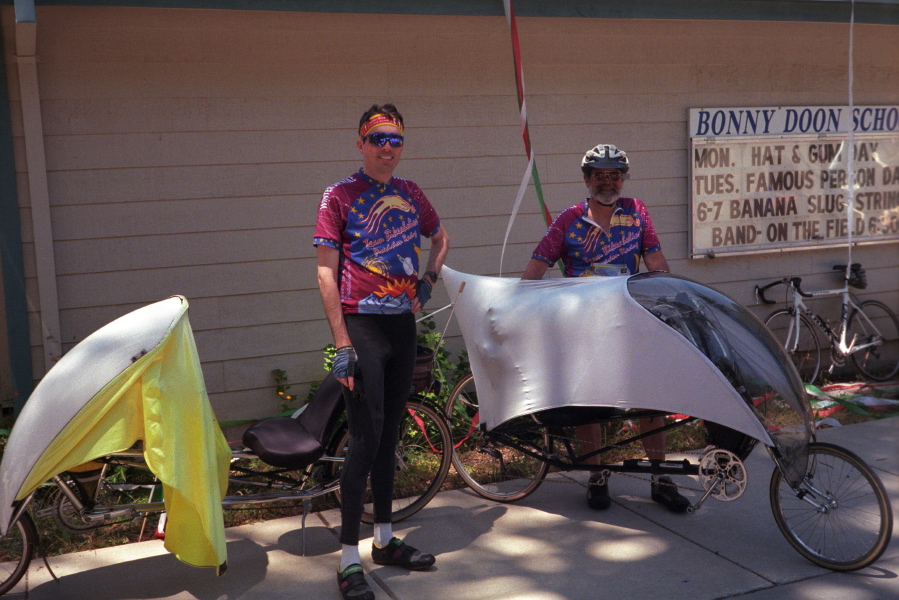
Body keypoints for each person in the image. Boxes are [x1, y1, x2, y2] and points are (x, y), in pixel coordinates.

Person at [314, 104, 450, 600]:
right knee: (366, 440)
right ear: (361, 144)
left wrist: (429, 280)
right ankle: (348, 559)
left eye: (395, 140)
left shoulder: (411, 193)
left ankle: (385, 540)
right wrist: (342, 343)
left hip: (401, 326)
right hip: (362, 326)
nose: (387, 148)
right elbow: (326, 271)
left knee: (390, 436)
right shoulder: (340, 195)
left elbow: (440, 237)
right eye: (378, 139)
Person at [521, 143, 690, 513]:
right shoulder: (567, 220)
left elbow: (655, 259)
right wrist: (523, 306)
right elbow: (536, 267)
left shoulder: (637, 212)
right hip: (583, 326)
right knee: (591, 405)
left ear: (623, 179)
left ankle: (660, 478)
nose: (608, 182)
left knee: (650, 399)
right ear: (586, 179)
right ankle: (597, 476)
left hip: (628, 320)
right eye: (600, 176)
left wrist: (671, 294)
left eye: (615, 175)